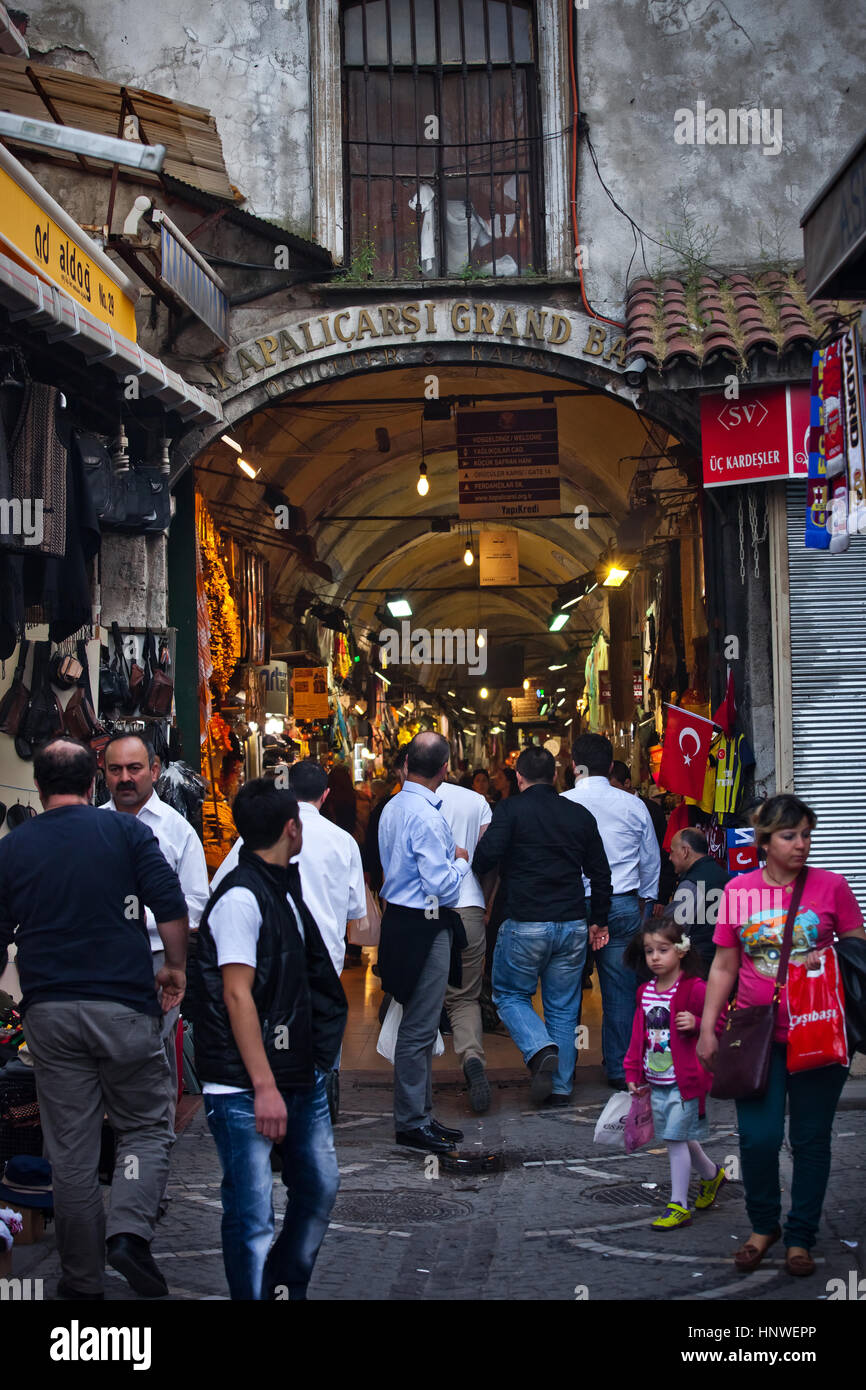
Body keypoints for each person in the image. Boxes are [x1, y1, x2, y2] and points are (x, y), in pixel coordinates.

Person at [0, 737, 188, 1301]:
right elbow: (171, 904)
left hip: (50, 1015)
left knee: (71, 1152)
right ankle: (128, 1232)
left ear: (37, 787)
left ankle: (81, 1284)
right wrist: (174, 968)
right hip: (124, 1008)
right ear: (94, 784)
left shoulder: (13, 848)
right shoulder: (128, 832)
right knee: (145, 1129)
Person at [189, 778, 347, 1301]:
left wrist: (316, 1060)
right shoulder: (240, 896)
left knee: (319, 1185)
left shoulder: (280, 888)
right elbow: (238, 996)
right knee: (252, 1210)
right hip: (244, 1087)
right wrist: (263, 1087)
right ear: (291, 829)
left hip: (298, 1073)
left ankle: (283, 1282)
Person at [698, 794, 865, 1277]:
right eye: (790, 836)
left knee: (811, 1139)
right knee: (757, 1138)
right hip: (756, 1034)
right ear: (765, 841)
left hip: (819, 1032)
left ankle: (800, 1236)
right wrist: (709, 1028)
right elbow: (725, 964)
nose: (801, 845)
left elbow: (857, 953)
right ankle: (762, 1225)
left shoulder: (832, 887)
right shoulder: (738, 890)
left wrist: (826, 960)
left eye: (807, 834)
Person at [472, 745, 612, 1105]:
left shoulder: (510, 809)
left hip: (525, 924)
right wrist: (598, 920)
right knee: (563, 1007)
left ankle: (540, 1049)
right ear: (555, 776)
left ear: (518, 777)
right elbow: (600, 873)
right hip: (572, 926)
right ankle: (561, 1087)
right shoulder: (578, 814)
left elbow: (485, 857)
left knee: (509, 995)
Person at [101, 733, 209, 1122]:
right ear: (104, 772)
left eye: (134, 768)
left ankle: (151, 1138)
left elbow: (195, 904)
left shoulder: (177, 831)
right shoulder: (95, 822)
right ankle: (111, 1142)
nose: (125, 778)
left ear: (155, 770)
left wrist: (138, 920)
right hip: (101, 959)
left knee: (150, 1052)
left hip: (156, 958)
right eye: (116, 770)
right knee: (106, 1050)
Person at [377, 732, 470, 1154]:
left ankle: (421, 1115)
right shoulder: (427, 816)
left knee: (419, 1024)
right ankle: (412, 1122)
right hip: (424, 924)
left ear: (406, 764)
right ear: (445, 769)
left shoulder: (393, 807)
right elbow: (441, 888)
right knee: (419, 1028)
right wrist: (462, 861)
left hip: (400, 922)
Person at [563, 734, 660, 1090]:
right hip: (621, 905)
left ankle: (565, 1070)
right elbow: (650, 860)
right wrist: (646, 901)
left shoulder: (562, 804)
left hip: (572, 906)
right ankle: (619, 1069)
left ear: (575, 766)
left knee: (566, 991)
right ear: (610, 767)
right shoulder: (634, 805)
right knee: (619, 991)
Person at [211, 759, 365, 977]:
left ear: (289, 789)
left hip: (270, 954)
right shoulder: (344, 841)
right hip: (326, 956)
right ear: (325, 794)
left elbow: (220, 887)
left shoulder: (263, 829)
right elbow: (355, 907)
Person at [624, 914, 725, 1229]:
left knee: (674, 1140)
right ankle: (712, 1175)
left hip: (686, 1081)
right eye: (649, 951)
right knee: (680, 1136)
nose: (655, 957)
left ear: (681, 951)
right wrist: (631, 1070)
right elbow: (638, 1033)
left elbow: (721, 1022)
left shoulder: (695, 989)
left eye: (663, 950)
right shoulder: (645, 992)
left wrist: (697, 1023)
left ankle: (678, 1205)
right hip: (656, 1080)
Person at [437, 776, 493, 1112]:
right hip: (469, 904)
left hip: (425, 909)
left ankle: (412, 1089)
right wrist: (486, 899)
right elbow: (489, 857)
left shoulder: (403, 802)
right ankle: (471, 1056)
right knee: (464, 998)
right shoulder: (477, 801)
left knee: (419, 997)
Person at [610, 758, 675, 905]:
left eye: (613, 788)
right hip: (617, 890)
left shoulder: (651, 810)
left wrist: (662, 897)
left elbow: (664, 853)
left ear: (627, 783)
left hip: (647, 893)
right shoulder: (608, 809)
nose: (610, 794)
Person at [668, 827, 730, 965]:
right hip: (725, 960)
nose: (670, 857)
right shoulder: (724, 876)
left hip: (699, 963)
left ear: (685, 851)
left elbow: (672, 930)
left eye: (672, 851)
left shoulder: (691, 884)